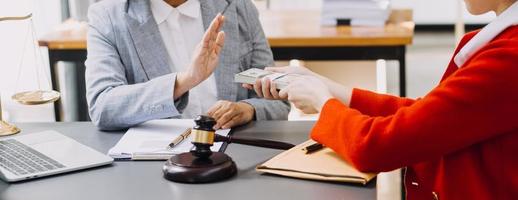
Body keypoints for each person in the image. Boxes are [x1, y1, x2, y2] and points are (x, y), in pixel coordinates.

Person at [245, 0, 518, 198]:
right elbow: (429, 115)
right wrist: (334, 91)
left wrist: (324, 102)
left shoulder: (508, 57)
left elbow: (379, 146)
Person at [85, 0, 290, 130]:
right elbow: (103, 107)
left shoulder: (239, 7)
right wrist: (184, 81)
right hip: (153, 163)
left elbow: (278, 99)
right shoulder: (107, 17)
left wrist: (247, 109)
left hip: (235, 153)